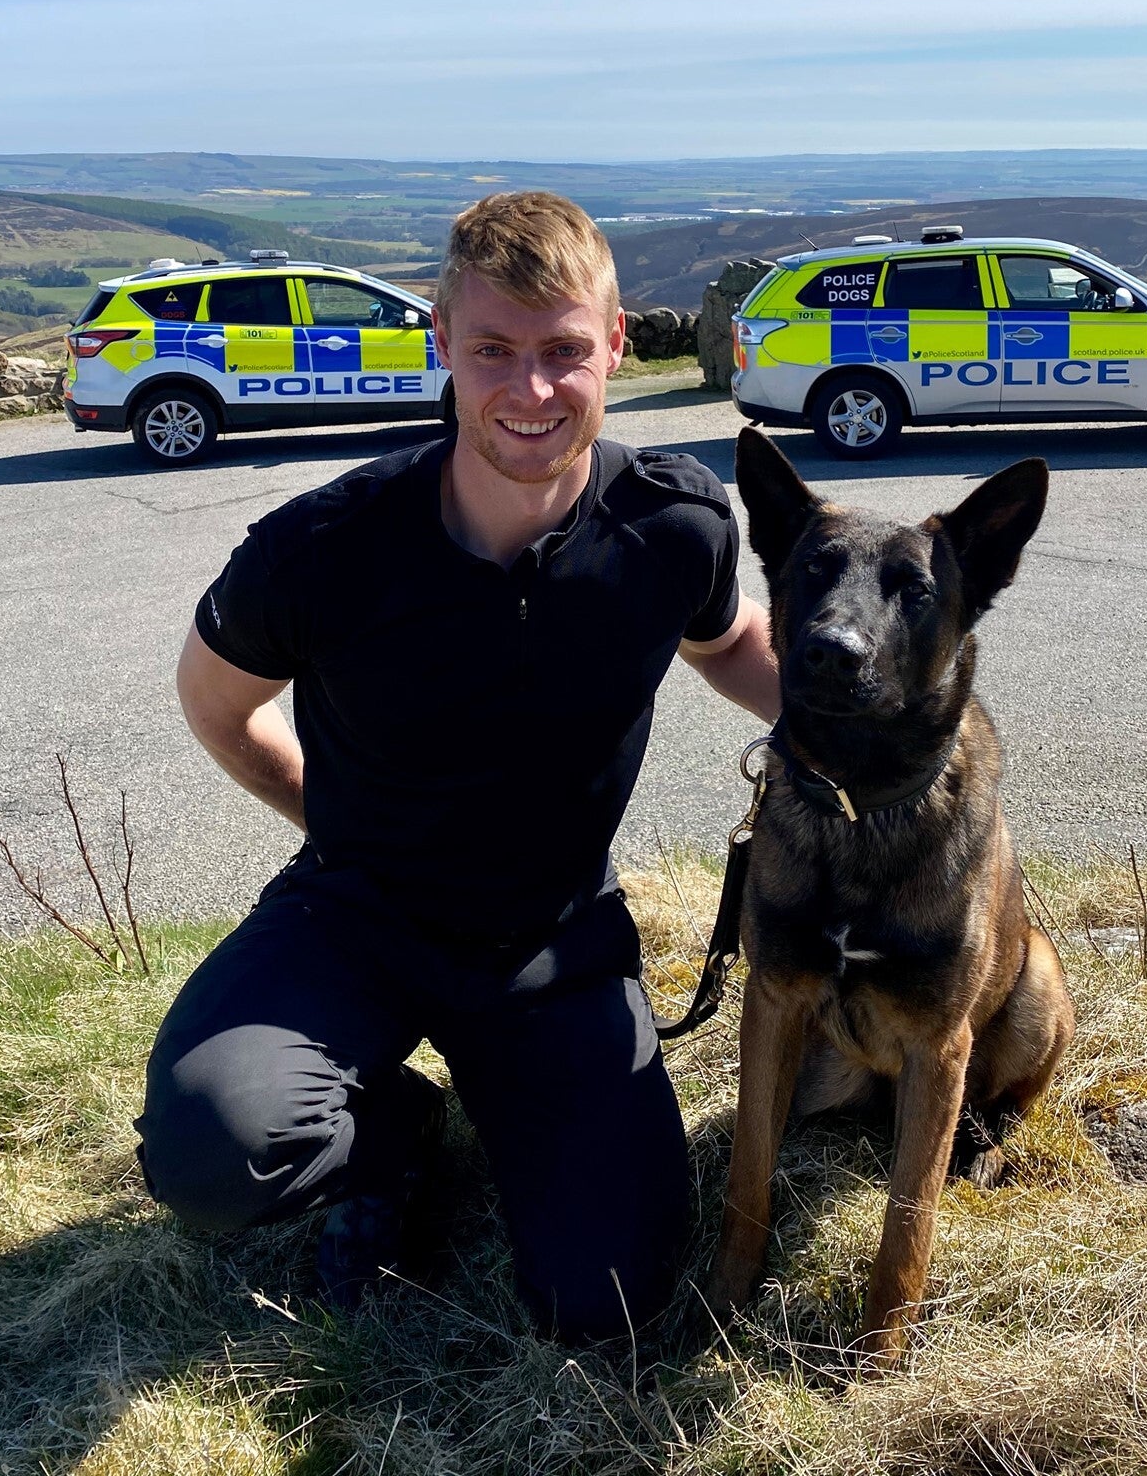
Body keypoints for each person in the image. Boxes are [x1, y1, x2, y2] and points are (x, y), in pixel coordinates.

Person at [136, 191, 780, 1341]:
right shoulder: (326, 546)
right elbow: (216, 701)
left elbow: (727, 641)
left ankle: (522, 1105)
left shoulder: (673, 524)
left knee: (611, 1293)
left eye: (562, 350)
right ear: (441, 337)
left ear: (615, 342)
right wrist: (330, 816)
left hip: (553, 943)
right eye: (492, 349)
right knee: (211, 1151)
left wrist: (865, 720)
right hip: (355, 918)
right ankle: (392, 1133)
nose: (530, 388)